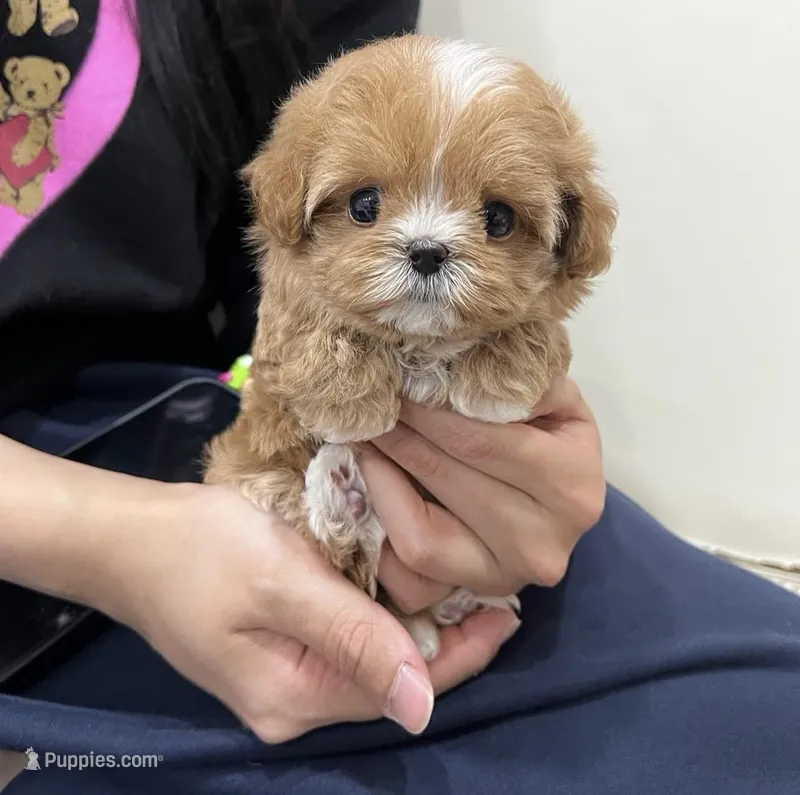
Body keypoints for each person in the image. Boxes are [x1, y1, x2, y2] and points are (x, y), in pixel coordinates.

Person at [0, 1, 798, 793]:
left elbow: (271, 287)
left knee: (773, 695)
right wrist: (114, 547)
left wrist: (528, 474)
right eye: (370, 206)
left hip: (202, 404)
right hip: (71, 553)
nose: (426, 242)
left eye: (493, 217)